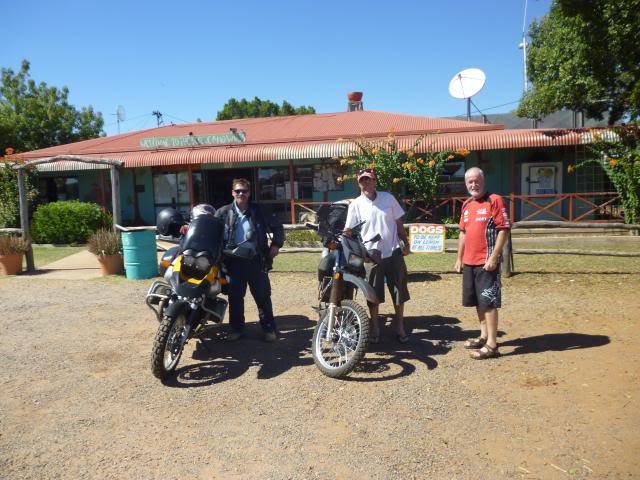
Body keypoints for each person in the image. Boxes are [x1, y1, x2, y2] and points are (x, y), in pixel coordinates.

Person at [344, 168, 411, 344]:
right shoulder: (355, 205)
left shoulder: (388, 198)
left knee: (399, 291)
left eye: (369, 180)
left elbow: (398, 222)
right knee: (372, 294)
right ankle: (375, 327)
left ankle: (400, 326)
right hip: (370, 256)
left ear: (375, 181)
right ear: (359, 184)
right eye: (362, 181)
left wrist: (405, 241)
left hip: (393, 251)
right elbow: (349, 230)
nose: (366, 183)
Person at [215, 178, 284, 342]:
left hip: (256, 260)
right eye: (237, 191)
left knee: (263, 297)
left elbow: (277, 227)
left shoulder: (259, 210)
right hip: (233, 262)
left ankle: (269, 329)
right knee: (235, 298)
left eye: (244, 191)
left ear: (249, 193)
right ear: (232, 193)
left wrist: (276, 245)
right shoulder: (222, 212)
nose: (241, 194)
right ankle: (236, 329)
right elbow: (210, 231)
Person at [454, 167, 511, 359]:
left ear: (483, 181)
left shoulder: (494, 200)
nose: (473, 184)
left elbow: (504, 229)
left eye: (476, 180)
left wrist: (494, 257)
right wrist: (459, 258)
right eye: (469, 181)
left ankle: (493, 345)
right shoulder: (467, 204)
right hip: (469, 262)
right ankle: (484, 335)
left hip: (487, 262)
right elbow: (463, 232)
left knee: (488, 302)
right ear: (466, 183)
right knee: (478, 302)